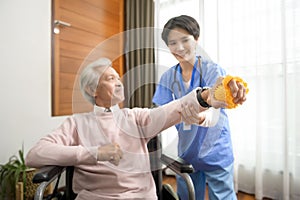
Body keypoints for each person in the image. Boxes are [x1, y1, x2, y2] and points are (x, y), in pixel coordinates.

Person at [25, 57, 238, 200]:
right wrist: (94, 153)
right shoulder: (77, 123)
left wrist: (206, 96)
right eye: (110, 79)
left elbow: (173, 109)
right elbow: (35, 155)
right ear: (92, 89)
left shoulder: (135, 117)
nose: (119, 82)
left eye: (119, 78)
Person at [152, 15, 247, 200]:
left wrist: (202, 117)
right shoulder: (168, 77)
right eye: (172, 43)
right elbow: (161, 111)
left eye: (185, 40)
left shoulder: (213, 70)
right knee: (187, 195)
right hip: (188, 150)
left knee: (222, 196)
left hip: (215, 149)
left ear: (196, 39)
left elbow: (216, 104)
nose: (179, 48)